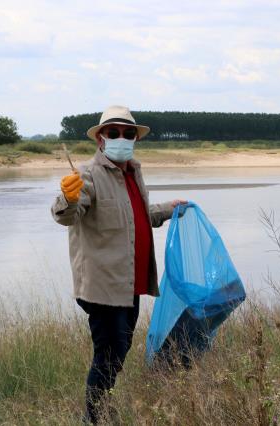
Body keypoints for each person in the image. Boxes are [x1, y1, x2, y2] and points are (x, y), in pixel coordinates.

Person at [51, 105, 186, 423]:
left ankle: (100, 408)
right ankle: (93, 417)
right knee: (109, 354)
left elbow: (137, 218)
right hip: (102, 285)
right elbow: (66, 215)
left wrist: (171, 208)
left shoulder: (132, 173)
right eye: (113, 133)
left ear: (135, 139)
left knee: (120, 349)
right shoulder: (87, 175)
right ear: (101, 139)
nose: (121, 138)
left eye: (128, 133)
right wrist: (67, 198)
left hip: (131, 283)